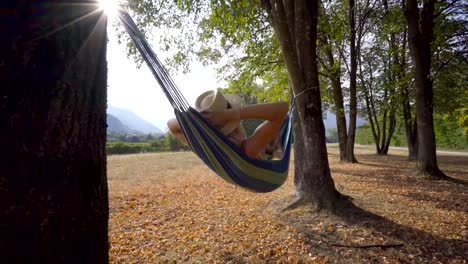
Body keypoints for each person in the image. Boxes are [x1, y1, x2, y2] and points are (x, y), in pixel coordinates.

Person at [167, 90, 289, 159]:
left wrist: (197, 120)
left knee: (269, 141)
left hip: (260, 152)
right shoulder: (247, 149)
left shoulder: (202, 144)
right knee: (269, 139)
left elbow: (172, 125)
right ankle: (272, 148)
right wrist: (226, 115)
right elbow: (282, 109)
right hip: (262, 161)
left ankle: (272, 148)